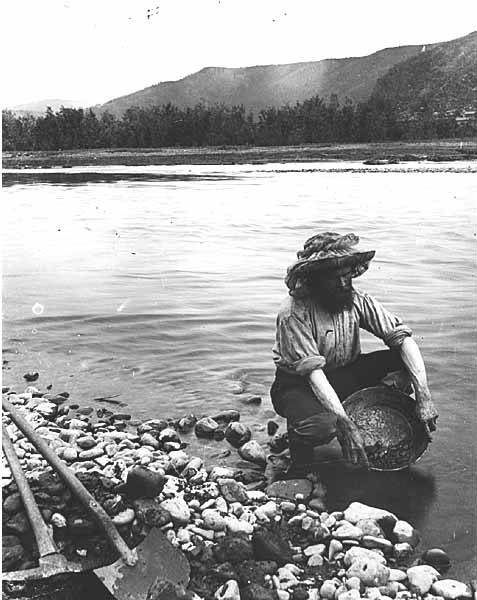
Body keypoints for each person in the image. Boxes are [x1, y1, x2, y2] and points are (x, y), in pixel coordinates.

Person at [271, 232, 438, 472]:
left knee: (404, 362)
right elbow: (314, 374)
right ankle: (301, 445)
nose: (342, 283)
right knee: (325, 427)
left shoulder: (356, 300)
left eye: (346, 275)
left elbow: (404, 340)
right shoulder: (294, 312)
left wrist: (424, 398)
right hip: (298, 384)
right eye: (332, 278)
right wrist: (344, 423)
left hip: (345, 373)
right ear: (315, 278)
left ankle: (368, 412)